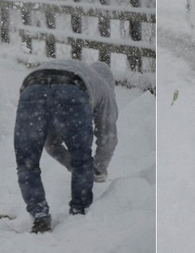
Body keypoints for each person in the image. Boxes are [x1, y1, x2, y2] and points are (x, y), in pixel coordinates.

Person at [15, 59, 118, 233]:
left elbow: (51, 144)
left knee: (27, 162)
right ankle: (79, 212)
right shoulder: (104, 88)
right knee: (82, 159)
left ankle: (39, 215)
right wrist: (97, 169)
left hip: (32, 87)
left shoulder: (76, 68)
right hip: (72, 91)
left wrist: (72, 164)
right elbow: (108, 136)